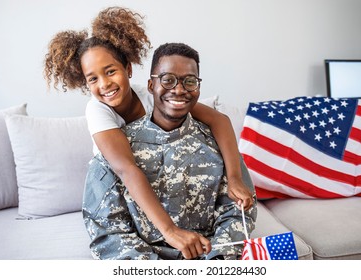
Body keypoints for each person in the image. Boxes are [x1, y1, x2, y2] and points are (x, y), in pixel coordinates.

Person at [43, 6, 254, 258]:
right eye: (93, 79)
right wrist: (169, 230)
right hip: (122, 175)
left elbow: (219, 120)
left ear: (129, 70)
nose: (105, 84)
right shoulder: (98, 113)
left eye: (110, 71)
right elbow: (127, 170)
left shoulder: (157, 98)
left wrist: (234, 178)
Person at [84, 42, 257, 259]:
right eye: (167, 80)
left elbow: (237, 213)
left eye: (189, 81)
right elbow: (108, 228)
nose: (178, 89)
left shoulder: (216, 144)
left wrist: (215, 260)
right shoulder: (110, 144)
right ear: (151, 85)